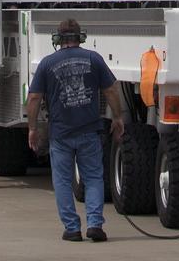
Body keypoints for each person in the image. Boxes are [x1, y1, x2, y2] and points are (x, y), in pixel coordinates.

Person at [27, 18, 124, 243]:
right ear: (80, 37)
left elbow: (33, 98)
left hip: (60, 134)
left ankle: (72, 229)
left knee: (62, 180)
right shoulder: (93, 59)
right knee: (93, 178)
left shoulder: (47, 63)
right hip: (89, 131)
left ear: (58, 39)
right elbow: (110, 90)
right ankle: (94, 224)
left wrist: (32, 128)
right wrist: (118, 117)